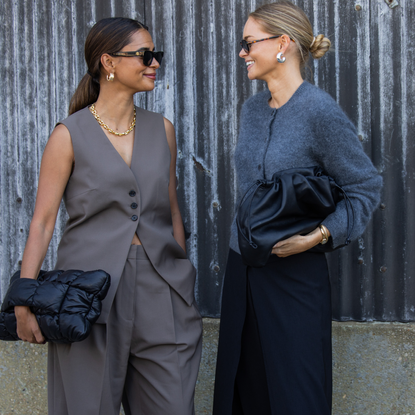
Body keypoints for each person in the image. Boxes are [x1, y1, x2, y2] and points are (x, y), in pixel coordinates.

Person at [14, 17, 202, 415]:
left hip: (161, 288)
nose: (154, 63)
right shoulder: (68, 135)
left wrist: (180, 279)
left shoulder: (161, 130)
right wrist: (23, 300)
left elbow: (171, 210)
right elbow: (42, 221)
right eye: (145, 55)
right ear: (108, 62)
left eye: (157, 55)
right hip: (88, 295)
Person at [213, 2, 382, 414]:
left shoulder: (319, 110)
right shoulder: (251, 110)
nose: (242, 52)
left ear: (283, 43)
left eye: (248, 42)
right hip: (243, 274)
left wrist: (318, 237)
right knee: (243, 391)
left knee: (295, 396)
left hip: (295, 279)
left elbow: (364, 186)